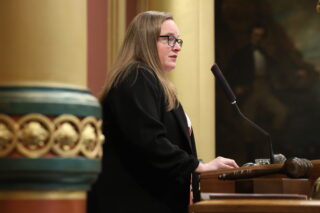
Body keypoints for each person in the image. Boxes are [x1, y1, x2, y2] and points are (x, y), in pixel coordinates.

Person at [87, 11, 238, 213]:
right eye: (169, 39)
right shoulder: (136, 77)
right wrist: (198, 167)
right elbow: (149, 140)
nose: (177, 47)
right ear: (146, 40)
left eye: (178, 41)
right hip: (134, 202)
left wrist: (194, 172)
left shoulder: (155, 84)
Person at [227, 23, 287, 161]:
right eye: (255, 35)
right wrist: (238, 86)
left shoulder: (265, 54)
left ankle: (272, 146)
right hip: (250, 90)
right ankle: (250, 155)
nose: (257, 38)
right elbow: (230, 73)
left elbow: (277, 71)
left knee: (281, 112)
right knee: (247, 123)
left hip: (265, 89)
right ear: (250, 36)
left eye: (260, 36)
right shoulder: (241, 54)